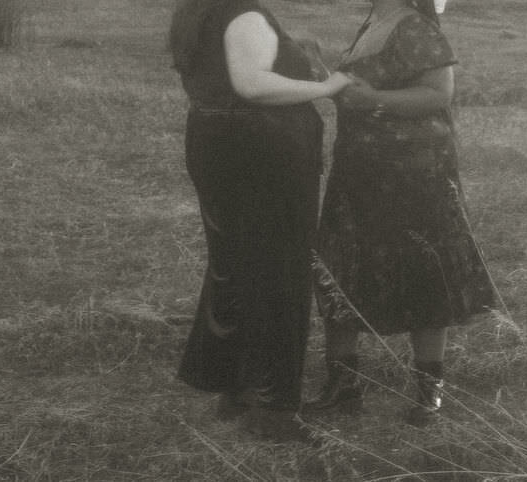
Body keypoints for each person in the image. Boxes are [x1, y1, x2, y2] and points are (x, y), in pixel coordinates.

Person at [168, 0, 352, 442]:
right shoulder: (244, 13)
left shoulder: (197, 11)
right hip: (260, 153)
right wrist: (330, 86)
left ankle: (238, 388)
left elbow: (227, 71)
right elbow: (251, 84)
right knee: (281, 275)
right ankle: (274, 409)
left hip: (217, 142)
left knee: (234, 267)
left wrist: (292, 50)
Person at [307, 0, 498, 427]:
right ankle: (343, 388)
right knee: (343, 268)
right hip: (359, 172)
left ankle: (429, 394)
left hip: (413, 174)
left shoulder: (414, 25)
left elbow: (437, 93)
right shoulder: (375, 21)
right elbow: (354, 94)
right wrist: (318, 65)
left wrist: (373, 99)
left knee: (422, 272)